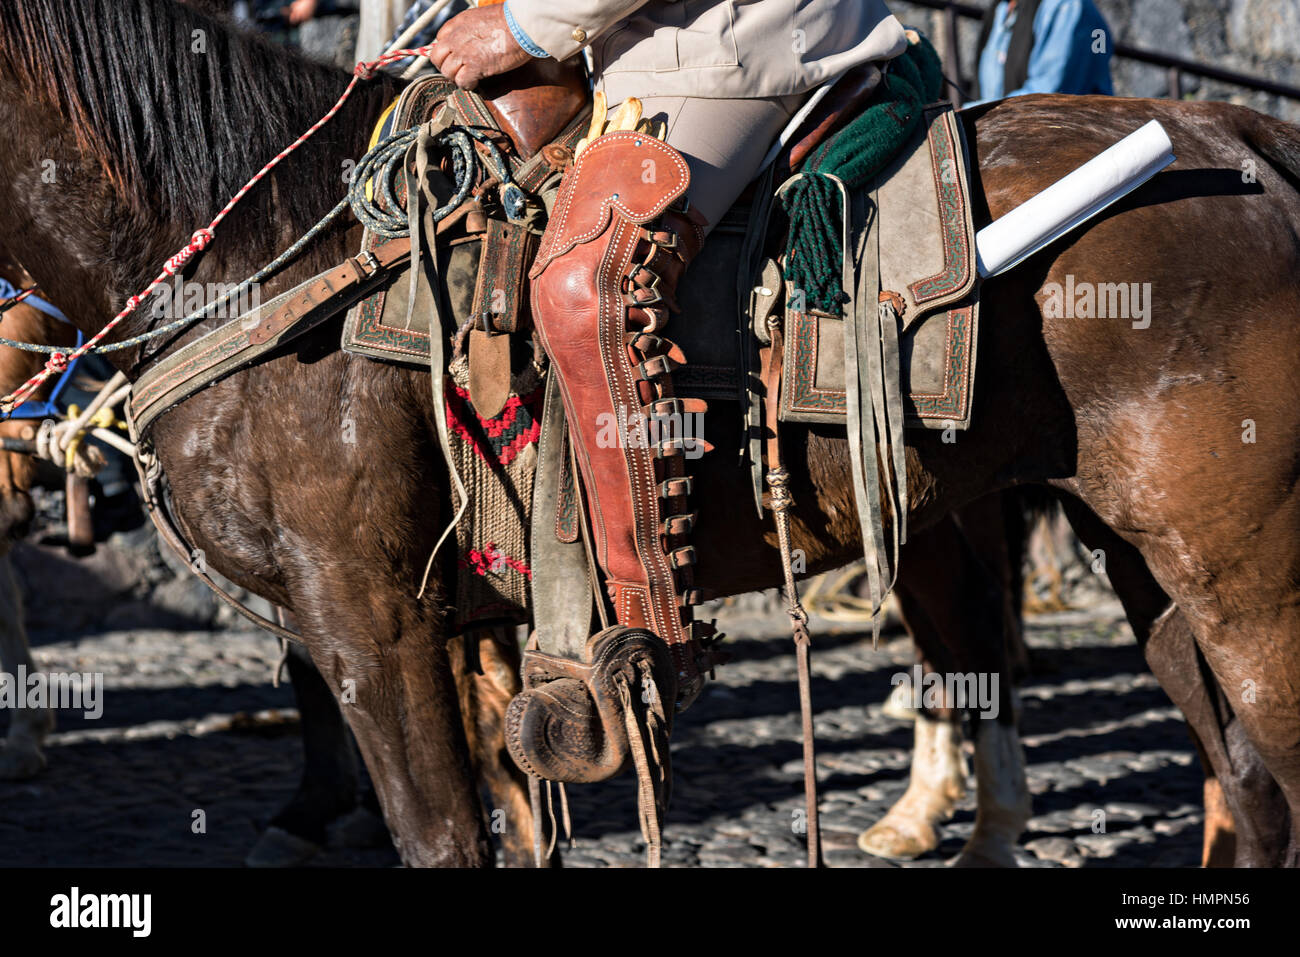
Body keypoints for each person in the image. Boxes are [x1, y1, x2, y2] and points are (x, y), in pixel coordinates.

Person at [428, 0, 907, 712]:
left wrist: (522, 26)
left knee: (584, 284)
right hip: (635, 39)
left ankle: (651, 634)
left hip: (735, 45)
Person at [969, 0, 1113, 104]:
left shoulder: (1067, 6)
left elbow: (1044, 99)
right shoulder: (1001, 9)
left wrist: (971, 113)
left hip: (1065, 135)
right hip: (1005, 130)